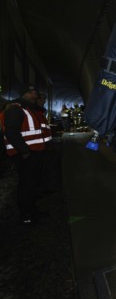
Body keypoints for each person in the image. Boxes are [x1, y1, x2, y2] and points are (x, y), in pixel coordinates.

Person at [0, 87, 52, 224]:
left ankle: (32, 211)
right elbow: (11, 133)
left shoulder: (28, 109)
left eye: (36, 92)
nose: (35, 94)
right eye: (31, 92)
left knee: (31, 185)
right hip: (26, 154)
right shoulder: (15, 109)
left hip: (33, 153)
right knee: (27, 185)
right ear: (23, 94)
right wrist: (25, 152)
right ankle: (27, 216)